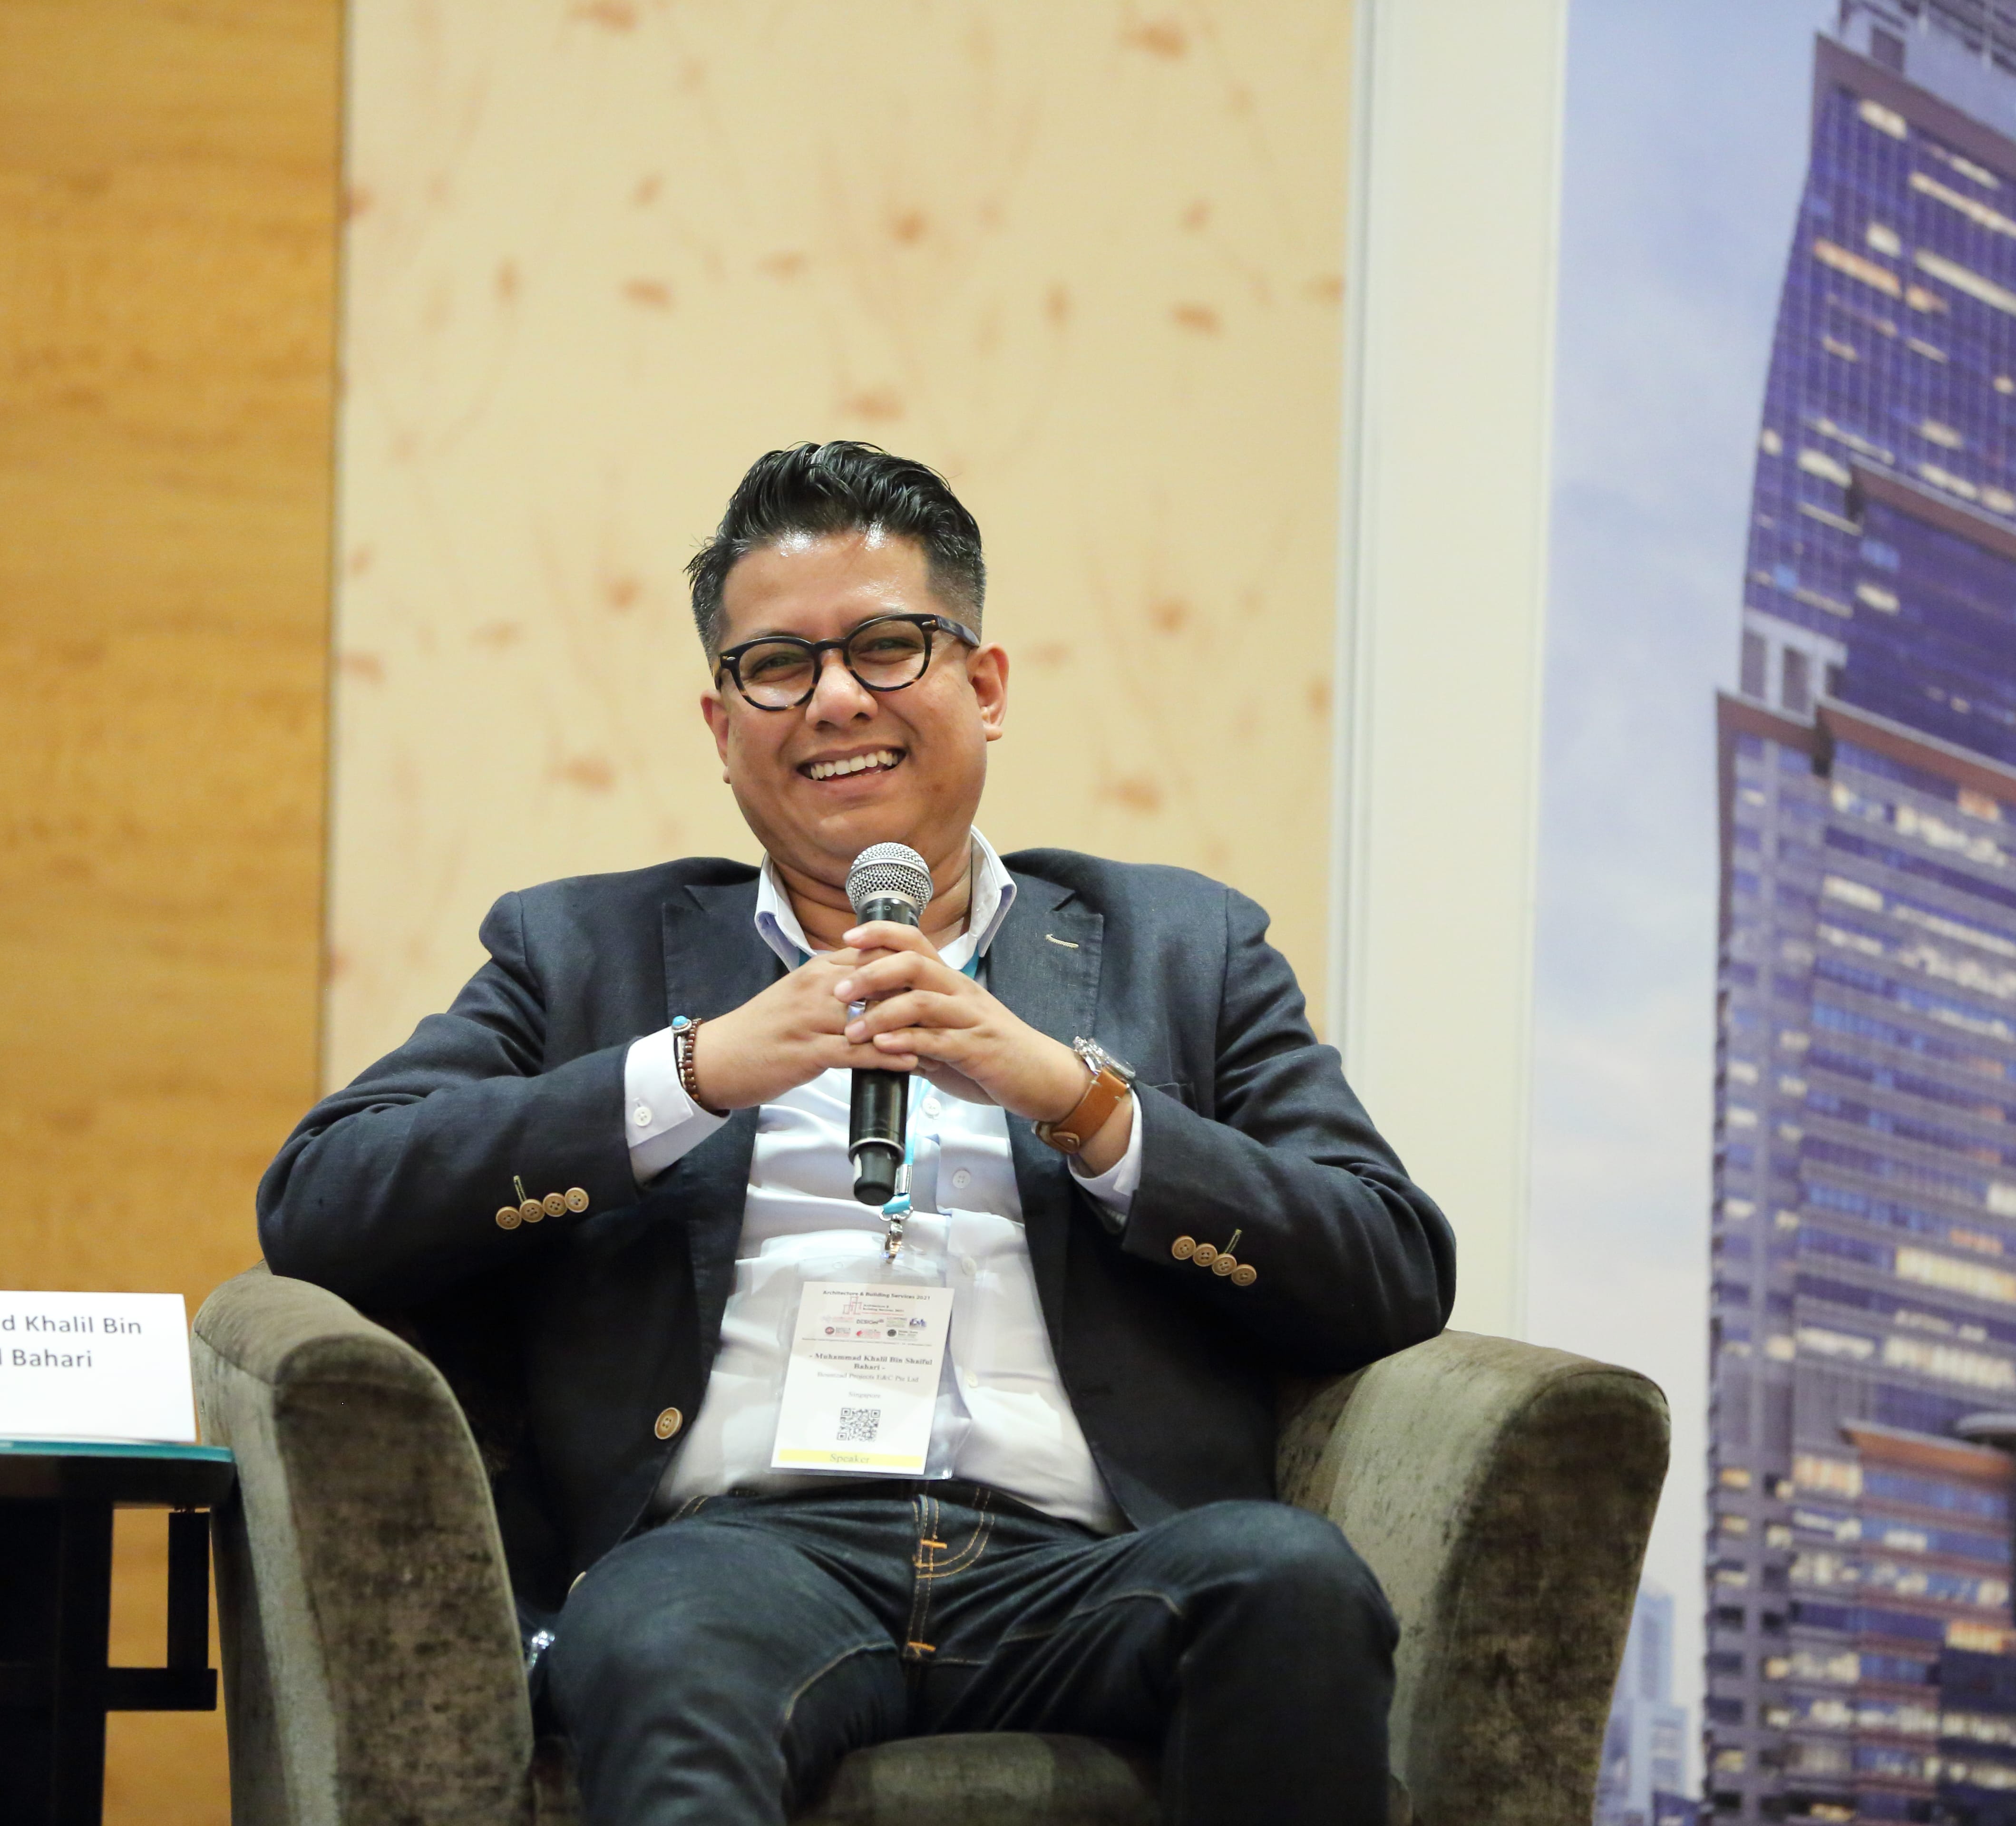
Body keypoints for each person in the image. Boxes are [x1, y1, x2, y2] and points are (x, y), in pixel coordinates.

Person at [257, 441, 1455, 1826]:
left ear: (984, 687)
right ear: (722, 728)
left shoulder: (1185, 945)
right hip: (741, 1554)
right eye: (778, 667)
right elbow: (323, 1202)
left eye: (889, 648)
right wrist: (693, 1075)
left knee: (1290, 1580)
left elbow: (1390, 1263)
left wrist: (1085, 1104)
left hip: (1085, 1560)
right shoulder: (575, 950)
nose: (834, 700)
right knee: (659, 1645)